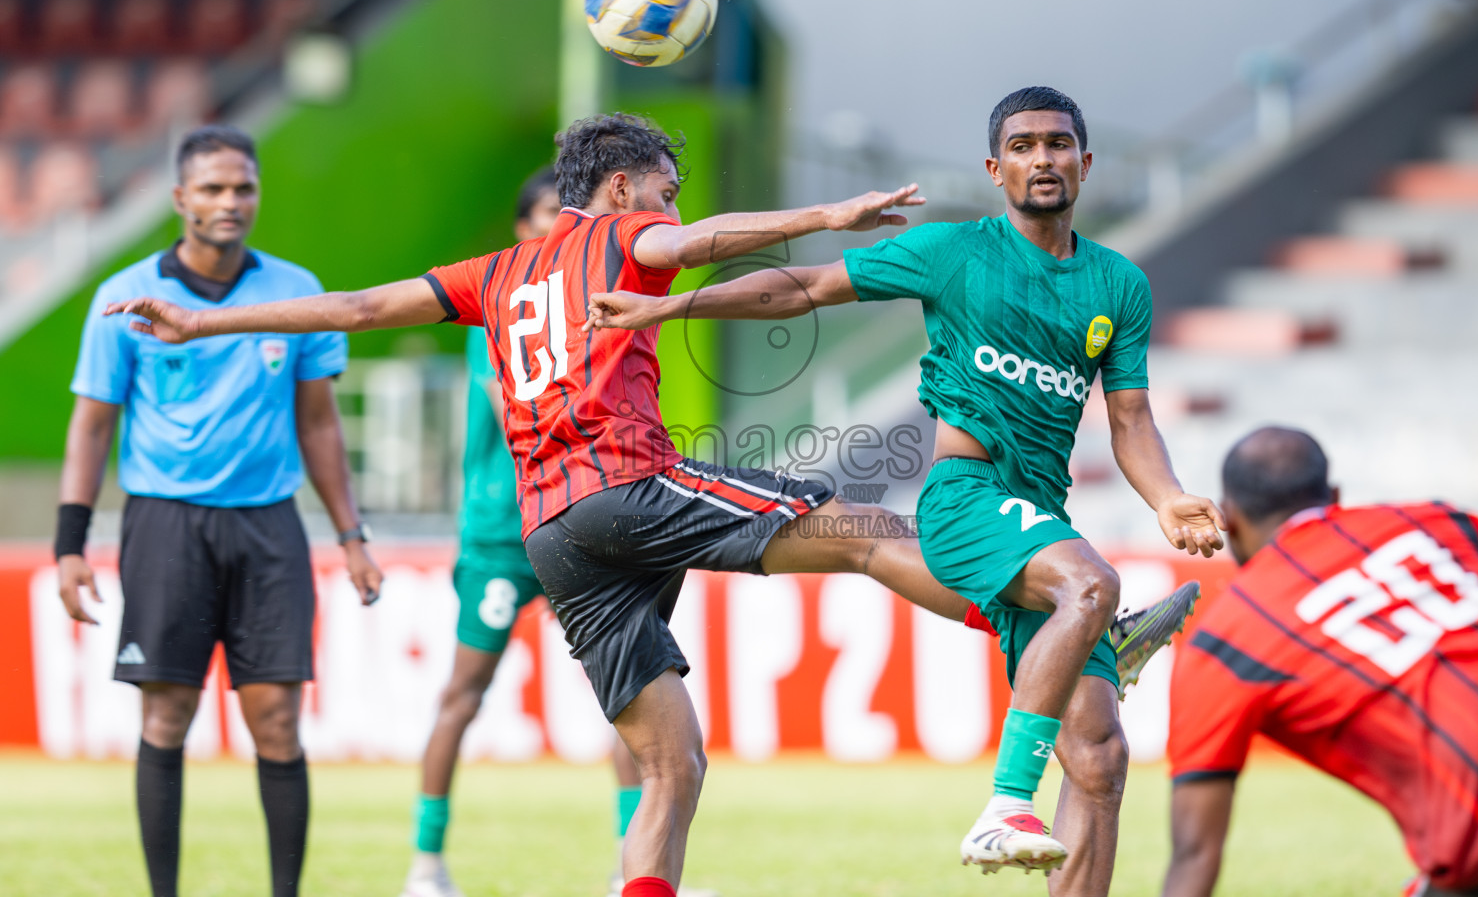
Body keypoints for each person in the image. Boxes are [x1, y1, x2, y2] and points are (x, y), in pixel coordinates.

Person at [103, 112, 1198, 897]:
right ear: (622, 188)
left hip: (555, 536)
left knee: (673, 761)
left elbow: (358, 304)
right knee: (867, 532)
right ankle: (1033, 624)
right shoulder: (621, 235)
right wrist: (831, 211)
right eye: (663, 185)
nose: (670, 203)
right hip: (628, 484)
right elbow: (700, 241)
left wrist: (204, 326)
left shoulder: (497, 271)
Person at [583, 88, 1221, 894]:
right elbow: (806, 289)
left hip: (1037, 517)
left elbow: (1129, 420)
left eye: (1058, 145)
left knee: (1099, 756)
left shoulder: (1119, 284)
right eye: (1022, 147)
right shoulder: (951, 251)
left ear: (1086, 164)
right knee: (1092, 583)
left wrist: (1166, 498)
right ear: (996, 169)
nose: (1042, 159)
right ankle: (1006, 802)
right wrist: (668, 305)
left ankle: (1089, 649)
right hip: (967, 497)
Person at [55, 125, 383, 897]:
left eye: (242, 187)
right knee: (166, 720)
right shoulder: (123, 297)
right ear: (180, 199)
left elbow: (320, 423)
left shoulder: (297, 291)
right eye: (212, 188)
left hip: (268, 525)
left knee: (276, 723)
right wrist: (70, 543)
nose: (230, 202)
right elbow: (92, 424)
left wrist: (352, 534)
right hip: (165, 524)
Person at [399, 169, 714, 897]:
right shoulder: (504, 309)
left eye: (561, 219)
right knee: (464, 693)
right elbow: (524, 402)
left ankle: (627, 865)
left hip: (588, 520)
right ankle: (425, 864)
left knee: (638, 696)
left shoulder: (599, 294)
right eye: (542, 218)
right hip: (504, 538)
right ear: (520, 230)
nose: (556, 234)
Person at [1160, 427, 1478, 897]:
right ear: (1334, 495)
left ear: (1228, 518)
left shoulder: (1224, 645)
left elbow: (1194, 855)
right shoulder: (1435, 521)